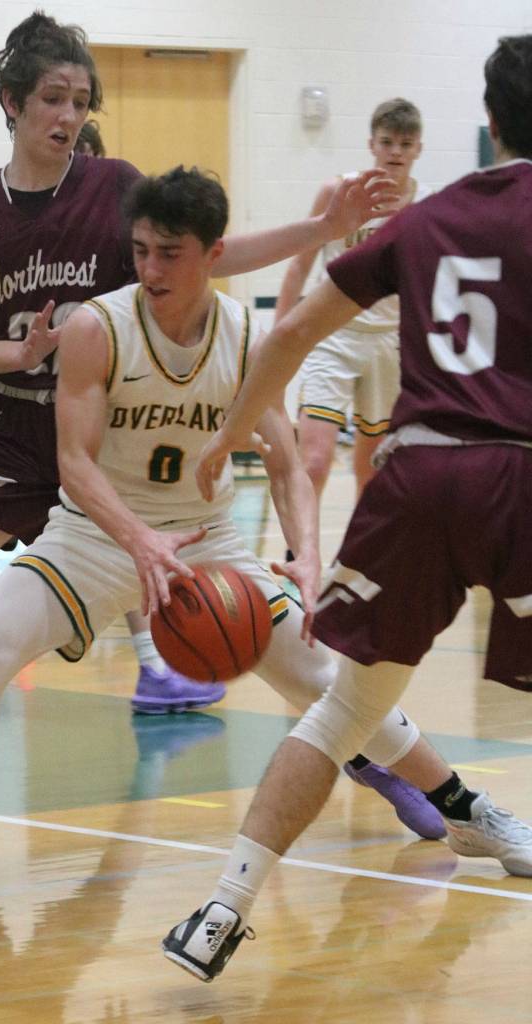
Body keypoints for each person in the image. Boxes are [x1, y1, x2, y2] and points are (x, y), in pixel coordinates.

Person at [0, 8, 398, 869]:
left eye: (80, 98)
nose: (68, 113)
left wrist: (316, 230)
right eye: (52, 96)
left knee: (278, 648)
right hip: (9, 435)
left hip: (114, 442)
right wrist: (21, 350)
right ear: (11, 102)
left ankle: (400, 772)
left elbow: (209, 251)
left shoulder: (115, 185)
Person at [0, 165, 480, 910]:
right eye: (140, 250)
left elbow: (287, 459)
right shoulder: (95, 327)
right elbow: (73, 465)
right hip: (100, 534)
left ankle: (470, 812)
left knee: (325, 678)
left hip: (209, 545)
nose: (149, 267)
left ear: (212, 255)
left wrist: (304, 555)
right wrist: (136, 538)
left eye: (169, 253)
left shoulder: (240, 333)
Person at [163, 33, 532, 982]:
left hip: (415, 479)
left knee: (343, 713)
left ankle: (221, 911)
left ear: (489, 124)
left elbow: (287, 330)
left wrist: (229, 434)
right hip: (518, 479)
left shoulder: (426, 219)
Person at [276, 99, 427, 504]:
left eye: (405, 143)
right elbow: (299, 265)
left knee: (372, 469)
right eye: (387, 141)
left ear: (418, 149)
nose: (395, 151)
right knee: (315, 461)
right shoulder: (340, 192)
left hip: (390, 342)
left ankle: (358, 565)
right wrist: (278, 336)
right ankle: (298, 562)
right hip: (333, 335)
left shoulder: (428, 205)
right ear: (371, 144)